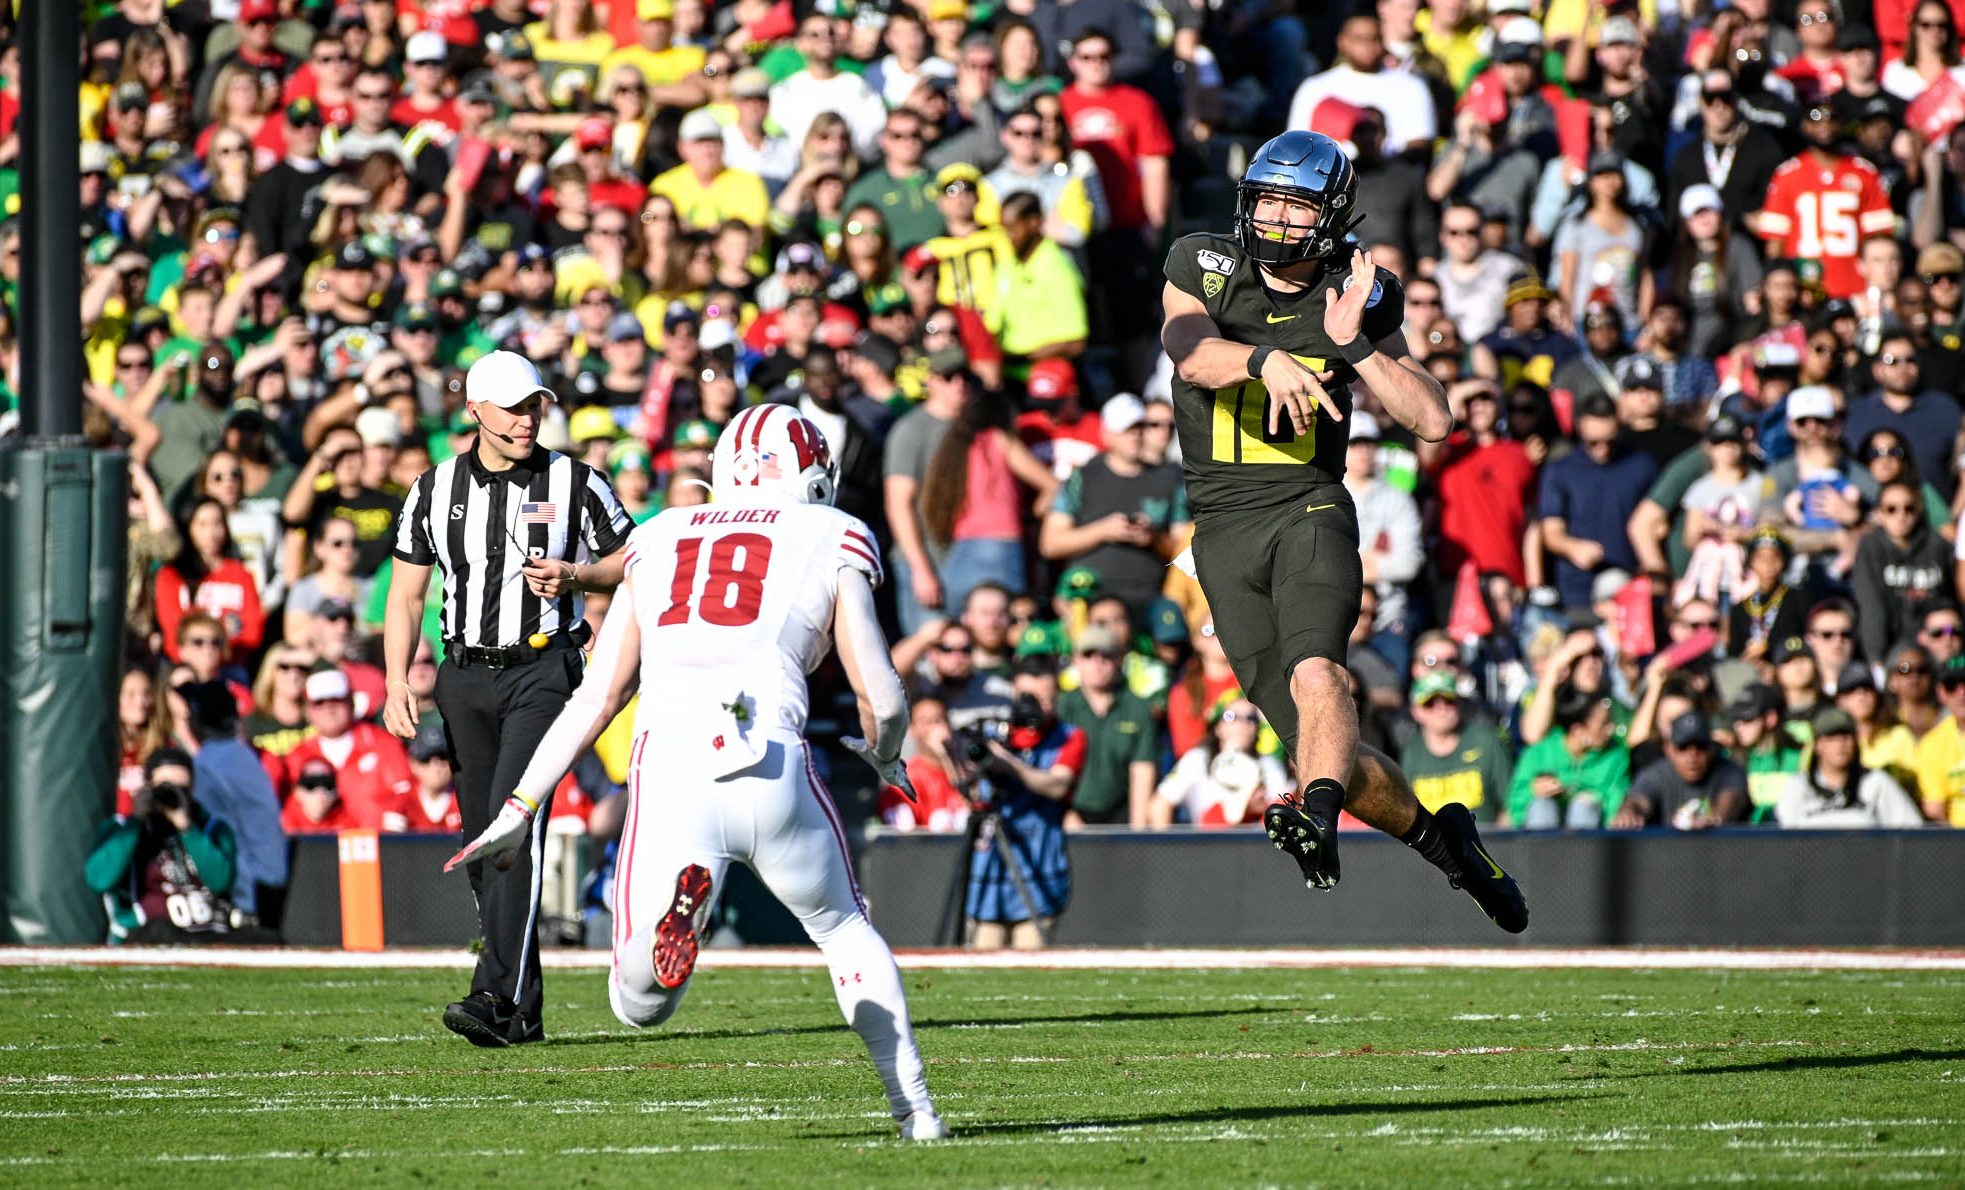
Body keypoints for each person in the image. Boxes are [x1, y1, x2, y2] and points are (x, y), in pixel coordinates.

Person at [443, 402, 946, 1140]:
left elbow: (597, 697)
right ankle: (917, 1112)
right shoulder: (832, 532)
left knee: (636, 1003)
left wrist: (520, 805)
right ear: (807, 474)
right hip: (770, 754)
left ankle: (688, 916)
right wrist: (886, 751)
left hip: (670, 766)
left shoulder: (659, 534)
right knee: (844, 931)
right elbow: (882, 692)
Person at [1158, 130, 1526, 932]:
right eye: (1268, 200)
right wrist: (1263, 363)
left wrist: (1351, 341)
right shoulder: (1201, 262)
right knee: (1334, 753)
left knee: (1320, 677)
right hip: (1220, 528)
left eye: (1296, 204)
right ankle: (1448, 847)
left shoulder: (1357, 288)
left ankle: (1313, 818)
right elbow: (1187, 353)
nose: (1278, 219)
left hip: (1307, 505)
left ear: (1329, 214)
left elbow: (1431, 418)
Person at [382, 351, 632, 1048]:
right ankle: (523, 1009)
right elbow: (404, 594)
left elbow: (633, 559)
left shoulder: (575, 481)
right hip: (463, 675)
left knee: (508, 829)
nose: (527, 420)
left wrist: (578, 573)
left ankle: (493, 994)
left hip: (544, 672)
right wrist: (397, 677)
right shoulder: (433, 488)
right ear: (475, 412)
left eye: (535, 406)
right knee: (479, 838)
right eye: (513, 407)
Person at [86, 747, 239, 944]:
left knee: (266, 939)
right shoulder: (122, 829)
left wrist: (187, 828)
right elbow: (98, 880)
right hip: (147, 934)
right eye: (165, 788)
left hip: (207, 933)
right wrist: (136, 822)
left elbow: (220, 881)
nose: (172, 795)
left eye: (181, 789)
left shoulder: (212, 828)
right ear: (148, 786)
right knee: (161, 931)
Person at [1055, 624, 1159, 827]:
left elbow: (1143, 771)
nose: (1098, 662)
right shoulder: (1062, 706)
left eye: (1106, 655)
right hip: (1071, 813)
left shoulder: (1138, 708)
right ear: (1076, 660)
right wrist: (1063, 813)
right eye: (1088, 655)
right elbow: (1049, 767)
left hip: (1121, 812)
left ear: (1119, 660)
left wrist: (1137, 833)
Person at [1149, 691, 1289, 828]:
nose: (1241, 724)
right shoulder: (1198, 760)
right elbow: (1159, 805)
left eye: (1250, 718)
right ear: (1217, 727)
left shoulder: (1269, 765)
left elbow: (1283, 811)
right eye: (1231, 716)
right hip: (1206, 844)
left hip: (1252, 845)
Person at [1777, 707, 1926, 827]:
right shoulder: (1798, 786)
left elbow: (1912, 830)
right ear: (1818, 745)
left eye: (1846, 736)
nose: (1840, 744)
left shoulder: (1876, 782)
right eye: (1832, 737)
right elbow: (1785, 839)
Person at [1616, 711, 1751, 829]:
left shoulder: (1730, 771)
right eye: (1683, 747)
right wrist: (1629, 812)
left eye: (1700, 747)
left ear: (1711, 749)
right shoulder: (1654, 775)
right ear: (1668, 749)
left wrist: (1714, 818)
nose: (1692, 757)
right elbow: (1639, 801)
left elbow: (1730, 802)